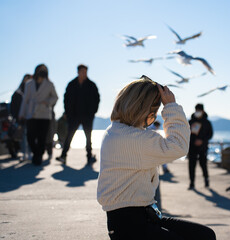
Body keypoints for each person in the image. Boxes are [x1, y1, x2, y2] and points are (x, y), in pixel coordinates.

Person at [97, 76, 216, 240]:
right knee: (204, 237)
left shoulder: (116, 131)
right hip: (132, 226)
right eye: (153, 111)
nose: (153, 117)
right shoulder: (135, 139)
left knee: (205, 235)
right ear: (142, 109)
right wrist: (171, 106)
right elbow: (179, 146)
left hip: (135, 219)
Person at [56, 64, 100, 165]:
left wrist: (93, 112)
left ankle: (89, 156)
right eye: (82, 71)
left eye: (85, 72)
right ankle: (63, 156)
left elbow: (97, 99)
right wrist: (67, 113)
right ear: (78, 72)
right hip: (74, 116)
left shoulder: (91, 85)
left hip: (87, 116)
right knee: (69, 136)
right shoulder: (71, 84)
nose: (84, 73)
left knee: (88, 137)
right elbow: (66, 99)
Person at [18, 64, 58, 165]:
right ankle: (37, 153)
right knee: (30, 137)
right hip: (31, 113)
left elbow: (55, 97)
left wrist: (47, 102)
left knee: (42, 137)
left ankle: (38, 157)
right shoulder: (29, 84)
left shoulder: (49, 84)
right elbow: (25, 99)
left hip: (44, 115)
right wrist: (21, 113)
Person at [188, 103, 213, 190]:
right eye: (196, 110)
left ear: (203, 111)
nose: (197, 112)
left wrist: (202, 140)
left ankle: (206, 180)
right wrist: (193, 141)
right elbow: (187, 134)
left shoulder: (207, 122)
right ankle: (192, 183)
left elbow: (210, 134)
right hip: (192, 147)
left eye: (199, 110)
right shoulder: (191, 121)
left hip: (203, 147)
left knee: (203, 165)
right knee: (191, 165)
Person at [10, 74, 32, 160]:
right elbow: (13, 106)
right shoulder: (18, 92)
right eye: (27, 79)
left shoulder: (32, 91)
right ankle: (24, 153)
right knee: (22, 136)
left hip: (30, 116)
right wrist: (16, 116)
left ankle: (30, 153)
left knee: (30, 135)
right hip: (20, 117)